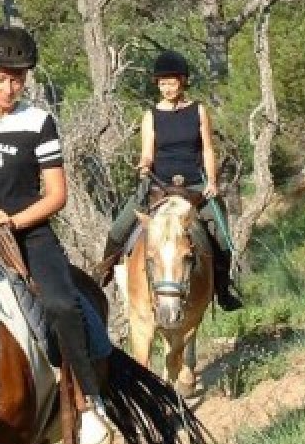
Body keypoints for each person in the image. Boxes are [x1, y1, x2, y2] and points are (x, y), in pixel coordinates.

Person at [0, 25, 113, 444]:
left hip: (31, 233)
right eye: (2, 77)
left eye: (18, 78)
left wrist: (14, 220)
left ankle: (89, 401)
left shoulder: (38, 122)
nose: (10, 87)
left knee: (59, 303)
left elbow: (56, 195)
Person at [94, 50, 243, 312]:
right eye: (162, 83)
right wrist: (144, 165)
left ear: (183, 81)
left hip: (194, 186)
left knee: (221, 236)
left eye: (171, 82)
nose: (167, 88)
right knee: (118, 229)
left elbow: (208, 148)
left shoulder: (198, 112)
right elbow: (147, 152)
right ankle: (102, 274)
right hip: (158, 185)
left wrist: (212, 181)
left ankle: (222, 287)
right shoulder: (151, 115)